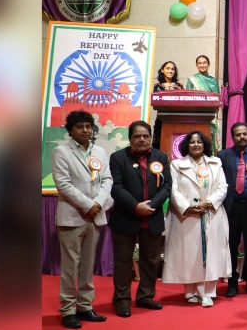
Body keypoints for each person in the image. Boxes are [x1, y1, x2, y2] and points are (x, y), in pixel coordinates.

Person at [53, 110, 113, 329]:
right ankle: (67, 309)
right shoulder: (61, 152)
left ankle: (85, 306)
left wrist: (97, 204)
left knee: (88, 265)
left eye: (88, 126)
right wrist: (89, 205)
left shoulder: (99, 151)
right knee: (71, 266)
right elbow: (63, 184)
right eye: (80, 127)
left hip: (95, 217)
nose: (86, 130)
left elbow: (107, 179)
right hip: (72, 217)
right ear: (71, 130)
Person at [108, 121, 170, 318]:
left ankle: (145, 296)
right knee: (123, 262)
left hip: (152, 217)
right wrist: (136, 207)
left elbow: (167, 186)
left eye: (145, 136)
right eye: (137, 136)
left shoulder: (161, 157)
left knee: (151, 261)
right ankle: (122, 300)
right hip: (126, 216)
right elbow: (116, 187)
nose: (142, 139)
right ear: (130, 138)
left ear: (151, 137)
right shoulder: (118, 157)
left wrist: (150, 206)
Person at [162, 130, 229, 307]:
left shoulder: (216, 163)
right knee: (189, 254)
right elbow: (173, 190)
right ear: (186, 145)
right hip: (188, 215)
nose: (196, 144)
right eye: (192, 142)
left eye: (199, 141)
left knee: (210, 254)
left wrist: (209, 202)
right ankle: (190, 291)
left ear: (204, 144)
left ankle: (207, 292)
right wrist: (187, 206)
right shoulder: (176, 165)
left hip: (210, 213)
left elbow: (222, 187)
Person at [220, 122, 247, 298]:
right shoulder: (222, 156)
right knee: (230, 246)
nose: (242, 137)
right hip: (231, 207)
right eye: (238, 134)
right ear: (232, 137)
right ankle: (232, 282)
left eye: (245, 133)